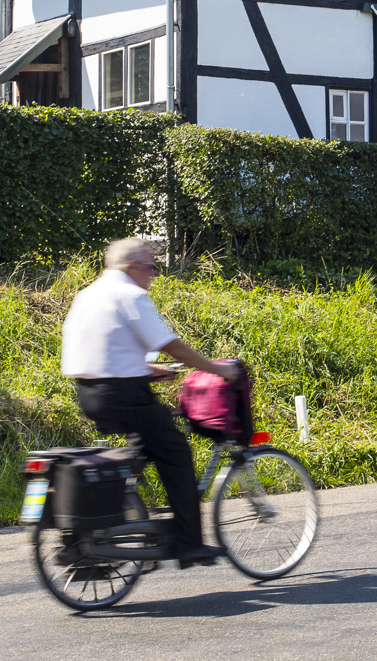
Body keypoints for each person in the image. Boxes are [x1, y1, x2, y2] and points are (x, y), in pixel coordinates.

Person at [61, 237, 239, 567]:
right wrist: (218, 370)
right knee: (176, 453)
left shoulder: (87, 295)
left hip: (89, 393)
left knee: (141, 450)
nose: (153, 273)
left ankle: (130, 516)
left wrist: (145, 370)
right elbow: (173, 346)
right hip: (126, 396)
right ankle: (189, 544)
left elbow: (102, 350)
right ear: (131, 267)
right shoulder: (131, 295)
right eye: (150, 266)